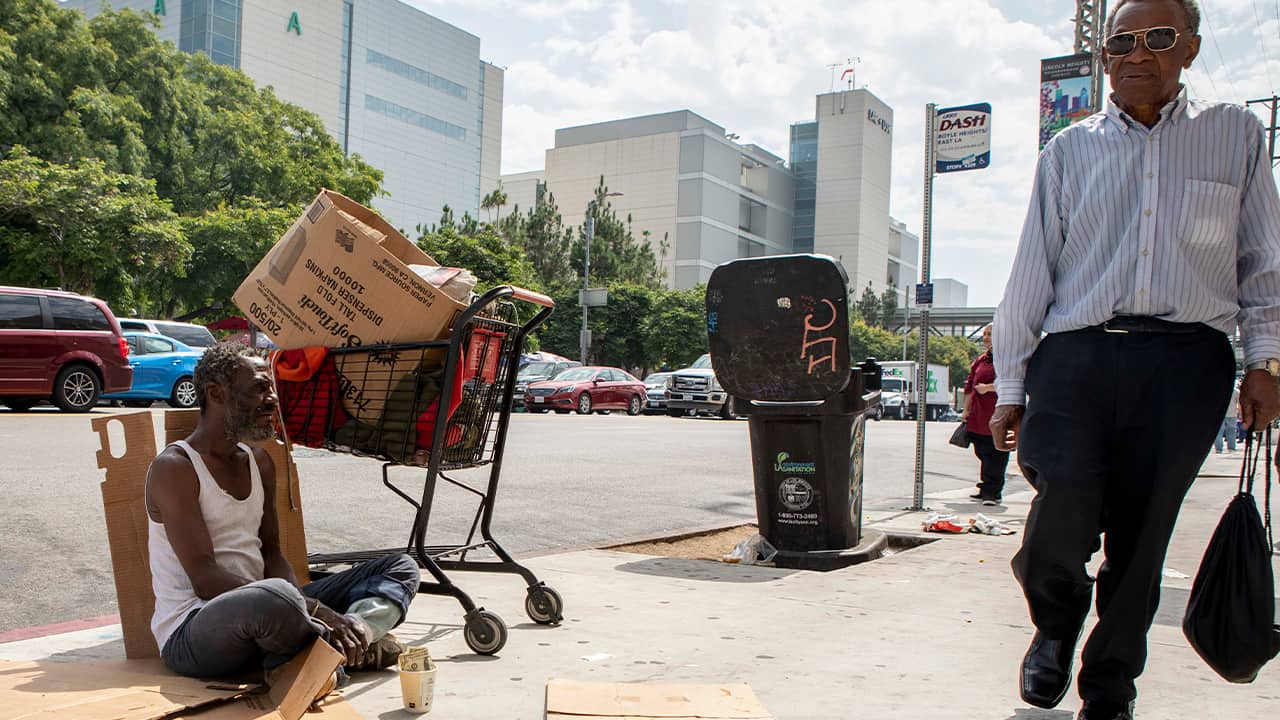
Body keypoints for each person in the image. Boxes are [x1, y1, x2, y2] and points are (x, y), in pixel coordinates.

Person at [990, 1, 1280, 718]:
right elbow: (1032, 272)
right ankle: (1056, 621)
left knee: (1143, 536)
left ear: (1190, 48)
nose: (1137, 54)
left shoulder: (1234, 135)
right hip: (1077, 357)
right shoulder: (1068, 150)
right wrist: (1011, 385)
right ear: (1105, 57)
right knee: (1058, 518)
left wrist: (1266, 361)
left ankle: (1110, 686)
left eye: (1158, 38)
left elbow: (1263, 261)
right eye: (1121, 42)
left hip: (1188, 363)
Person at [146, 342, 420, 682]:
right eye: (259, 389)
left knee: (401, 567)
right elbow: (205, 580)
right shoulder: (175, 468)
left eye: (271, 388)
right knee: (277, 598)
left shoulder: (259, 462)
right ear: (216, 393)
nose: (273, 399)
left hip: (272, 610)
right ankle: (326, 650)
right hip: (196, 630)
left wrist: (307, 606)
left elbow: (272, 553)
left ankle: (355, 636)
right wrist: (311, 608)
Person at [961, 325, 1008, 506]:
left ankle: (992, 492)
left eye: (990, 334)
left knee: (995, 454)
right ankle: (986, 488)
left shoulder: (1006, 359)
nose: (986, 338)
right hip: (978, 416)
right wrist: (966, 409)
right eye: (985, 334)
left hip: (997, 415)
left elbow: (1012, 382)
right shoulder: (981, 360)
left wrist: (988, 388)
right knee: (981, 451)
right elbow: (969, 386)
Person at [1212, 379, 1240, 453]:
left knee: (1218, 432)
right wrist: (1240, 413)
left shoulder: (1218, 391)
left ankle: (1218, 449)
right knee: (1231, 432)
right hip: (1232, 414)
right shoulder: (1236, 391)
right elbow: (1239, 404)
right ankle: (1231, 448)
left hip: (1219, 414)